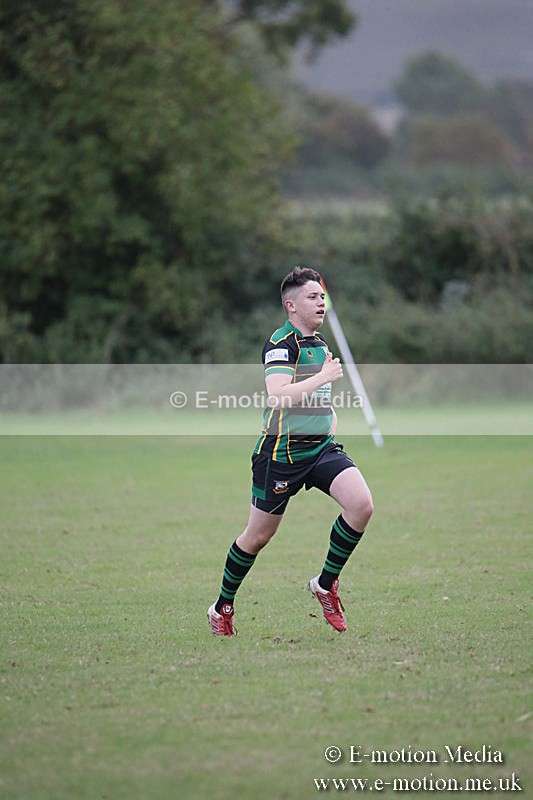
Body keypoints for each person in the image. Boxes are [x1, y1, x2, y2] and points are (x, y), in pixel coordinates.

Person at [207, 266, 373, 635]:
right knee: (258, 537)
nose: (321, 303)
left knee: (361, 505)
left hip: (320, 450)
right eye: (313, 297)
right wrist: (323, 377)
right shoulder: (281, 344)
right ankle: (222, 607)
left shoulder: (320, 344)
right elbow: (278, 395)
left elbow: (317, 396)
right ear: (291, 305)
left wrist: (329, 417)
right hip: (280, 456)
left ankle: (325, 584)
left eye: (322, 297)